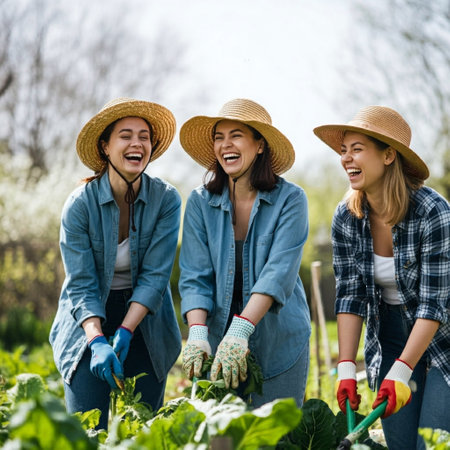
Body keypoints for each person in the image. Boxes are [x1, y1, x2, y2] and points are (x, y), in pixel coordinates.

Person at [313, 105, 450, 450]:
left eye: (357, 149)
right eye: (343, 150)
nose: (346, 159)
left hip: (444, 338)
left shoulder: (433, 212)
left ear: (388, 155)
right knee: (401, 445)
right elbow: (350, 296)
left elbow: (434, 305)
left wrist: (403, 371)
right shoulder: (347, 216)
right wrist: (346, 367)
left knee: (432, 444)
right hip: (391, 336)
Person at [49, 97, 182, 430]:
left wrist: (125, 329)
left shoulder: (166, 200)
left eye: (144, 136)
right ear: (106, 147)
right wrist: (96, 340)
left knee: (146, 430)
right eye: (126, 135)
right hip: (87, 319)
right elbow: (81, 283)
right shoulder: (80, 205)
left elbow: (155, 277)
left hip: (146, 319)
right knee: (87, 429)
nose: (137, 143)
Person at [178, 98, 311, 408]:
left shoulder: (291, 200)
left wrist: (242, 328)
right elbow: (195, 275)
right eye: (218, 138)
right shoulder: (199, 202)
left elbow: (278, 272)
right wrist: (197, 332)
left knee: (276, 439)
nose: (226, 145)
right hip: (217, 340)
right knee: (223, 438)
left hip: (280, 338)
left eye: (236, 135)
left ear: (259, 145)